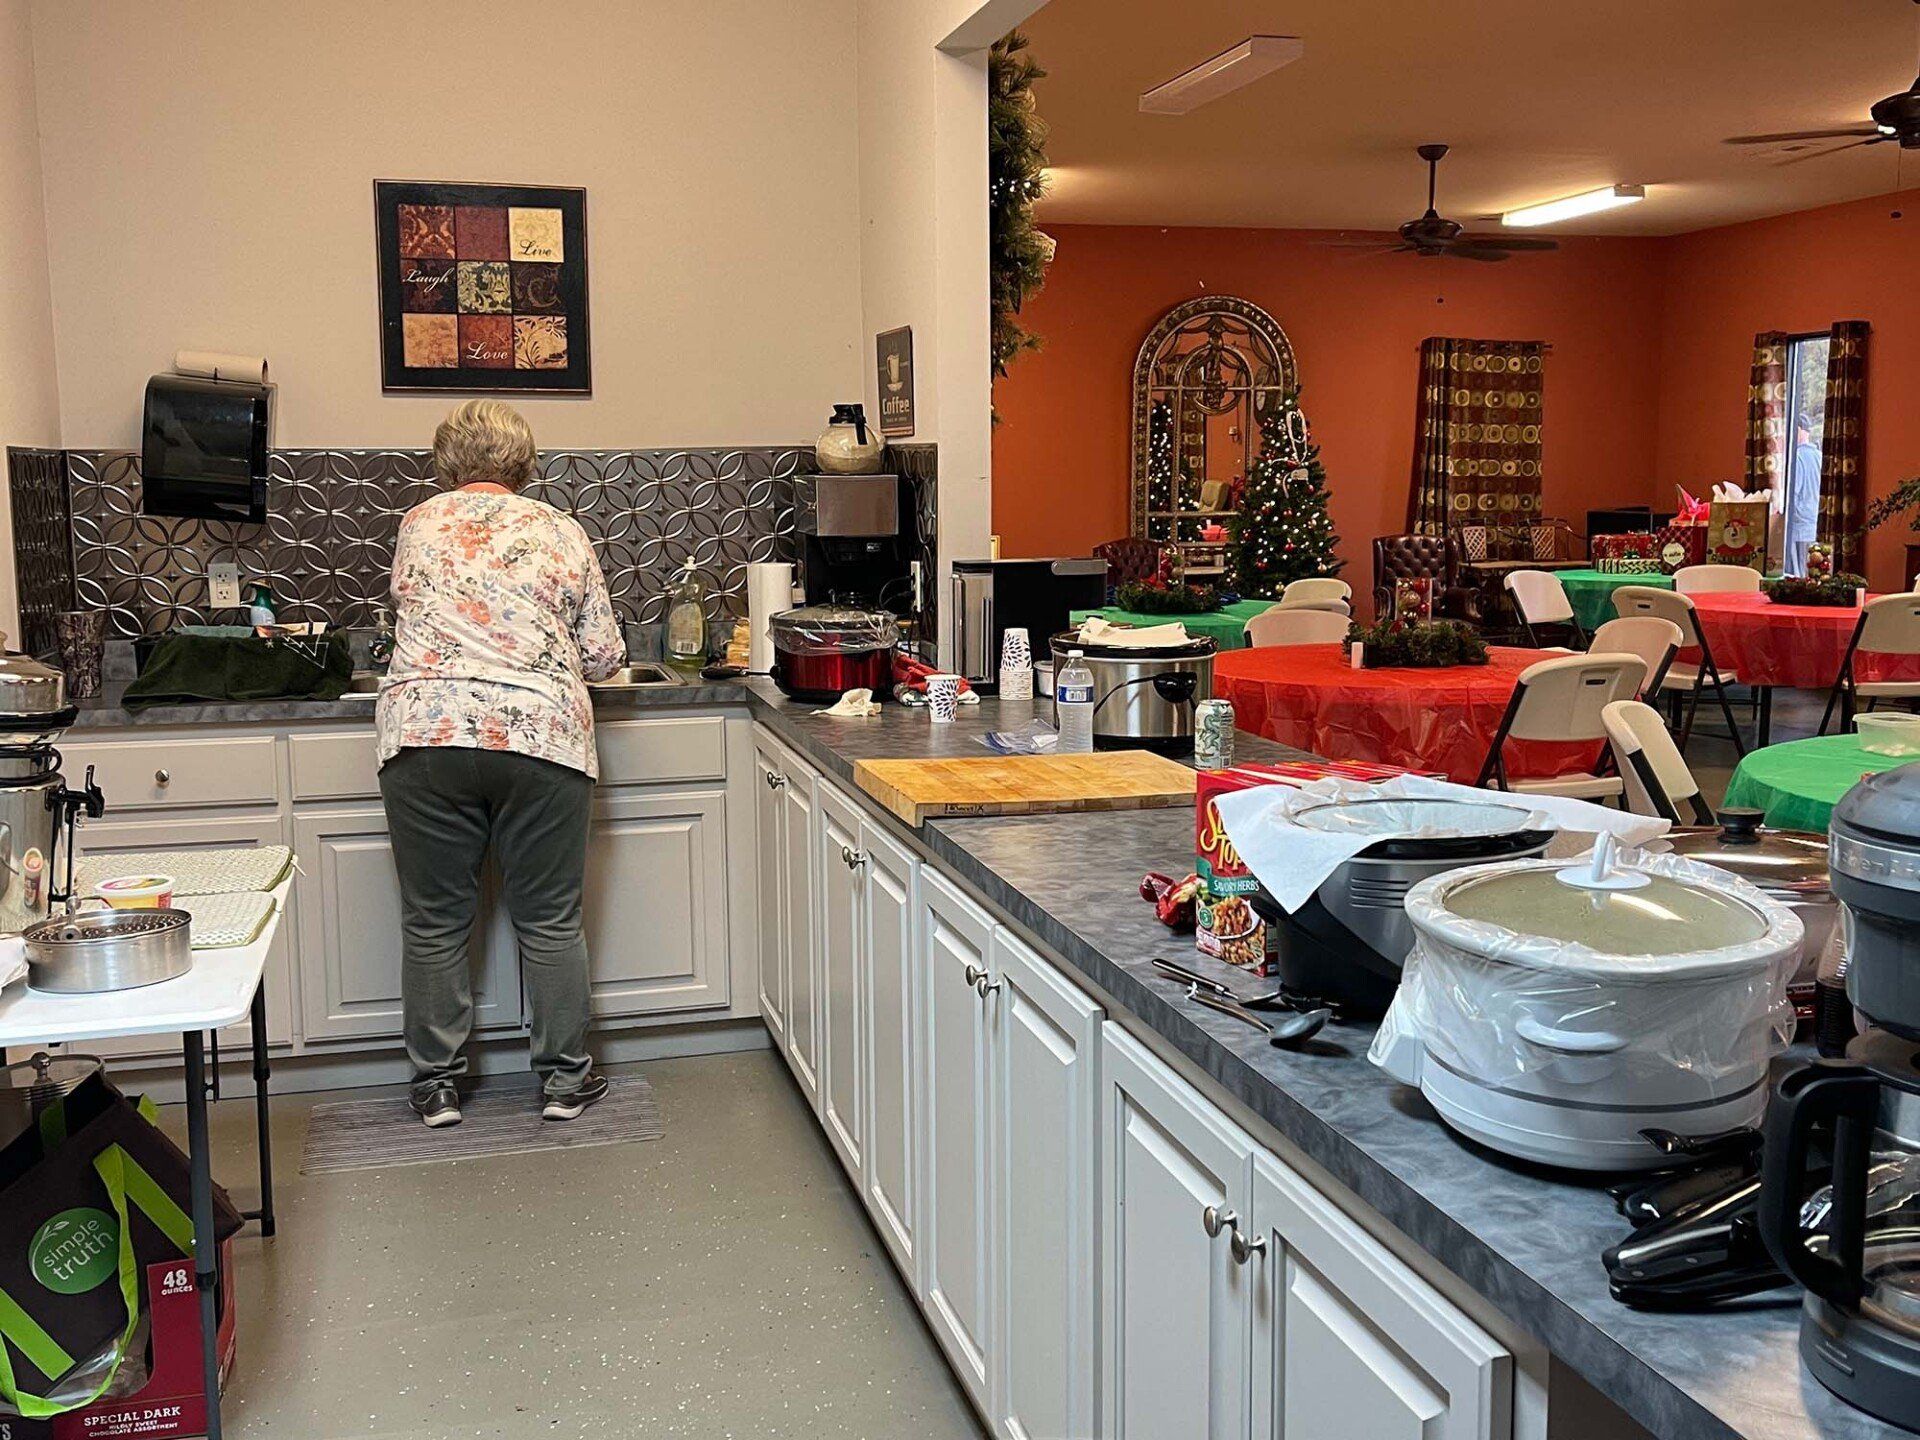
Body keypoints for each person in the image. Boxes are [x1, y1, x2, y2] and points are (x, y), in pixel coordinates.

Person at [376, 400, 625, 1128]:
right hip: (539, 736)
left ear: (447, 463)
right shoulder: (560, 528)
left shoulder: (419, 522)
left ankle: (436, 1087)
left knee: (433, 920)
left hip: (427, 731)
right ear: (525, 464)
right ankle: (563, 1083)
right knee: (550, 919)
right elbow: (606, 657)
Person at [1786, 415, 1823, 576]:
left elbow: (1792, 494)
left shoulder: (1797, 457)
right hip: (1815, 523)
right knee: (1815, 573)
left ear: (1799, 430)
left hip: (1799, 526)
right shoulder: (1820, 456)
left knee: (1800, 575)